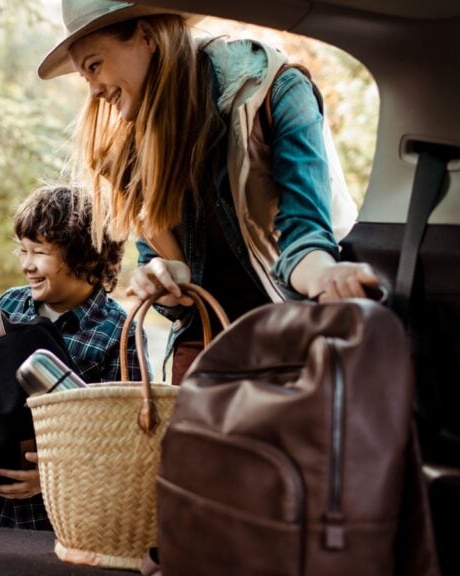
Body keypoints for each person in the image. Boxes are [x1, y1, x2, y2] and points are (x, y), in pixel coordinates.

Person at [40, 0, 380, 382]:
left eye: (94, 66)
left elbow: (306, 239)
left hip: (291, 341)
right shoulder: (130, 154)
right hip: (204, 354)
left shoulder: (276, 91)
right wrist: (162, 277)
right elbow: (170, 275)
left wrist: (327, 278)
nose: (95, 92)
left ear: (146, 36)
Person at [0, 184, 149, 531]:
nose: (27, 265)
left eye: (39, 252)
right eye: (22, 250)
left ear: (88, 255)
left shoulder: (119, 333)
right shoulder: (8, 305)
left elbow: (124, 442)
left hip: (63, 520)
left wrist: (49, 478)